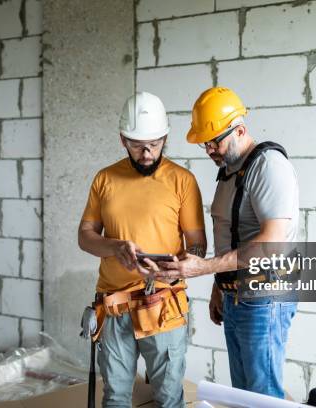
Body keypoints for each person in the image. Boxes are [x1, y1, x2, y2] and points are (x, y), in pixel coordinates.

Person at [150, 87, 300, 399]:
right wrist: (221, 285)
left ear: (240, 130)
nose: (208, 149)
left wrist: (204, 268)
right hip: (238, 297)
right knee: (244, 395)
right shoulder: (230, 171)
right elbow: (233, 235)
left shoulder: (268, 166)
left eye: (214, 141)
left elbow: (273, 242)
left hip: (264, 297)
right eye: (204, 143)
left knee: (263, 395)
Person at [78, 91, 206, 407]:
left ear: (165, 137)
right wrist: (114, 246)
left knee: (168, 398)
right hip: (115, 306)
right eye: (138, 145)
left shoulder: (182, 181)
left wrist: (173, 265)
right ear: (123, 139)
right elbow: (85, 236)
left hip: (163, 305)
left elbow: (199, 245)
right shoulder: (105, 179)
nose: (147, 152)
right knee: (116, 397)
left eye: (155, 143)